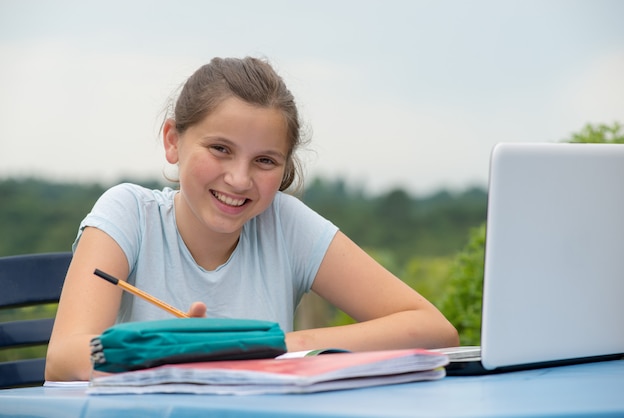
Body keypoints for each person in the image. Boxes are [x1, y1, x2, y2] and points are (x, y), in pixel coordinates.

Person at [45, 56, 458, 381]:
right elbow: (63, 359)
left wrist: (267, 345)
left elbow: (433, 330)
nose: (240, 179)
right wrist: (173, 350)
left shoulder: (284, 222)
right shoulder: (128, 212)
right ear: (173, 141)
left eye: (264, 160)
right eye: (220, 149)